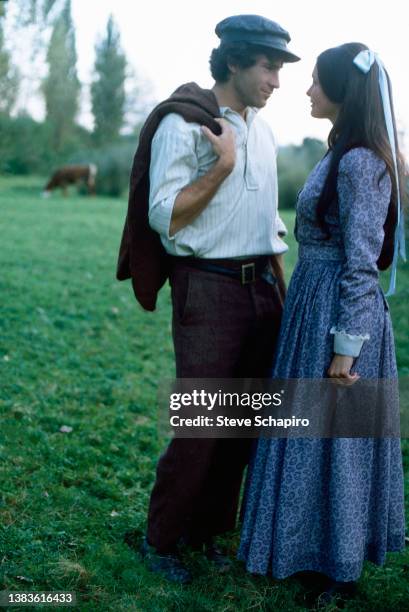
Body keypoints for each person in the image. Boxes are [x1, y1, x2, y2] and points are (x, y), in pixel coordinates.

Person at [238, 42, 406, 603]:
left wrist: (346, 348)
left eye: (315, 81)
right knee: (314, 439)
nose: (306, 90)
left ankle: (339, 569)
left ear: (342, 90)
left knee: (339, 442)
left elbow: (361, 263)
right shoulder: (343, 151)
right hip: (312, 306)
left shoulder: (360, 162)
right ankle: (306, 549)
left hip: (338, 313)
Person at [135, 15, 300, 584]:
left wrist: (282, 287)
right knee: (202, 422)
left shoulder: (266, 130)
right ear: (234, 61)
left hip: (264, 288)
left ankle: (207, 535)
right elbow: (165, 215)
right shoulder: (185, 125)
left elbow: (267, 219)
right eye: (268, 65)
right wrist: (222, 164)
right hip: (206, 286)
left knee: (244, 426)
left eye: (280, 68)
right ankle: (160, 541)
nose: (277, 79)